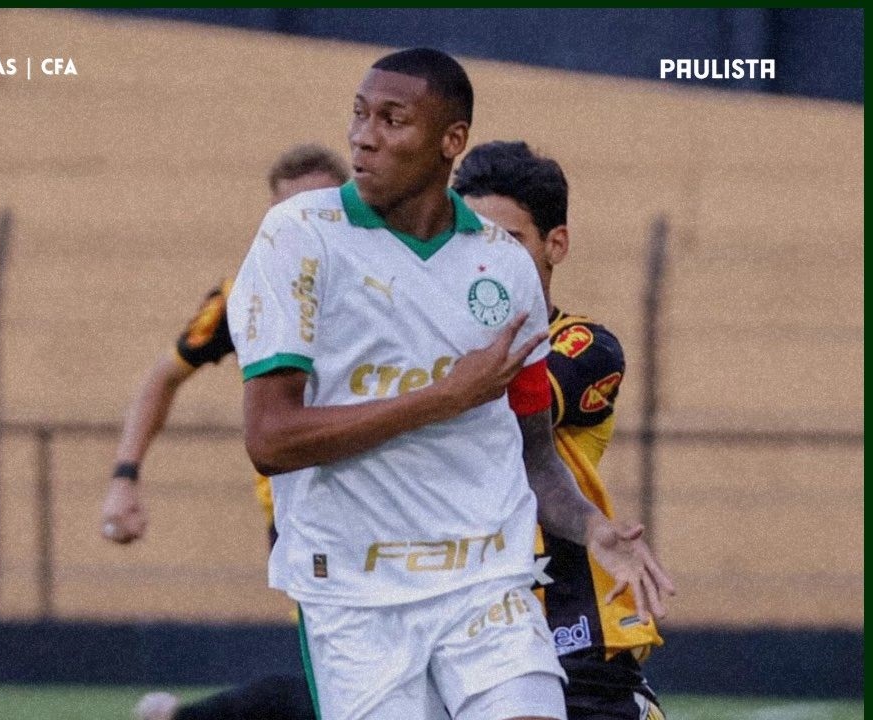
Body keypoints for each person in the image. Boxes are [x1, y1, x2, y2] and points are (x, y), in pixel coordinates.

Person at [223, 47, 674, 720]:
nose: (363, 136)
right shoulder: (299, 238)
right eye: (359, 115)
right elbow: (271, 438)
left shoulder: (502, 264)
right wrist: (443, 397)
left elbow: (534, 455)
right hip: (355, 595)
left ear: (450, 140)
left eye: (392, 119)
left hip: (487, 583)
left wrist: (591, 526)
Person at [453, 141, 666, 720]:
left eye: (510, 241)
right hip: (467, 629)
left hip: (579, 640)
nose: (487, 259)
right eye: (471, 239)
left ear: (556, 244)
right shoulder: (434, 347)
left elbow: (496, 403)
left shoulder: (586, 347)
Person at [100, 143, 350, 547]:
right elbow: (162, 379)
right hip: (297, 518)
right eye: (292, 214)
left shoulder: (383, 285)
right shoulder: (243, 298)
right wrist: (124, 477)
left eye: (322, 213)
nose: (307, 227)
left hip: (385, 500)